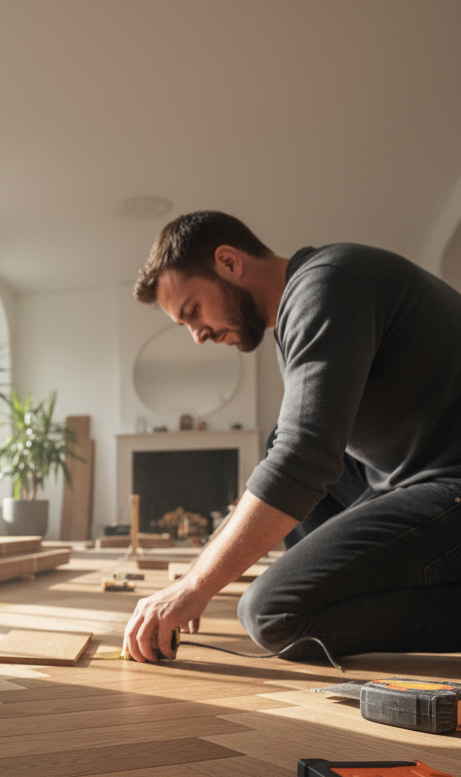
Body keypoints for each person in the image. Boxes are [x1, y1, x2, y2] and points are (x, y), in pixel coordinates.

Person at [123, 210, 461, 663]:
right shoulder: (307, 302)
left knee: (274, 614)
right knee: (281, 446)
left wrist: (195, 586)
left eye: (192, 311)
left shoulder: (326, 286)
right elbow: (292, 448)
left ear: (229, 262)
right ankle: (328, 591)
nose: (197, 336)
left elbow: (303, 461)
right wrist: (195, 568)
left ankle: (319, 600)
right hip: (416, 473)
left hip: (450, 483)